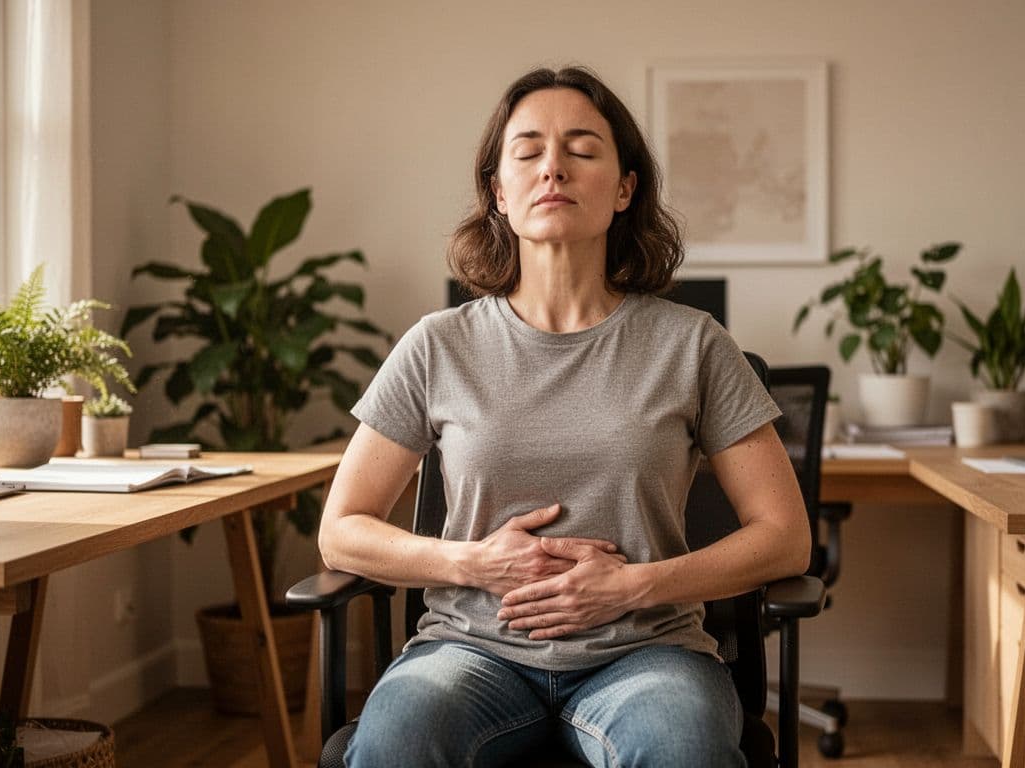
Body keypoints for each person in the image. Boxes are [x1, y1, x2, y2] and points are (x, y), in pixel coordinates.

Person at [317, 65, 811, 767]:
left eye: (582, 149)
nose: (553, 167)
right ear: (499, 190)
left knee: (684, 749)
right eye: (528, 152)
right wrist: (472, 563)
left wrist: (633, 585)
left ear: (624, 188)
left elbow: (786, 539)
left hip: (648, 655)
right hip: (468, 653)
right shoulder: (437, 345)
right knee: (398, 739)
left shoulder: (693, 343)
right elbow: (341, 534)